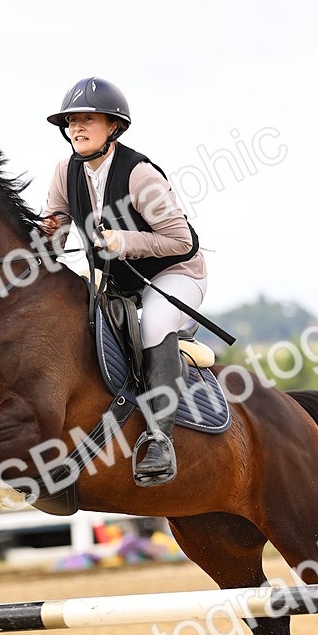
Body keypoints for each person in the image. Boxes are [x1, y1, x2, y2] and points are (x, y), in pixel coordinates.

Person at [42, 76, 207, 487]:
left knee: (153, 323)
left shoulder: (140, 175)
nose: (77, 127)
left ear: (113, 126)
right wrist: (44, 233)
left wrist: (124, 241)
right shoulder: (64, 172)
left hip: (175, 274)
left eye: (88, 119)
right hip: (117, 283)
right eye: (72, 121)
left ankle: (159, 439)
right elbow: (55, 233)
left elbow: (181, 242)